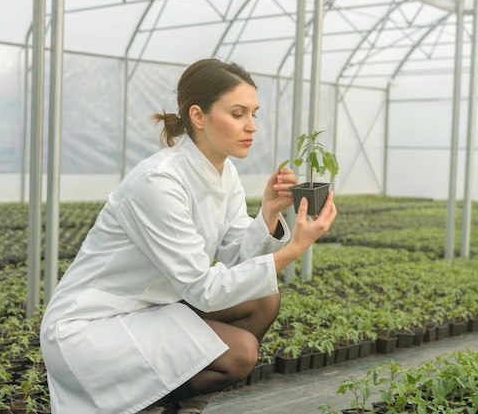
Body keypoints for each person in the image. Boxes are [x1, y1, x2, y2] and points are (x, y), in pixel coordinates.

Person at [39, 58, 337, 414]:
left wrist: (269, 213)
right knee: (240, 352)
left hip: (153, 308)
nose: (252, 126)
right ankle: (147, 401)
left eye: (255, 114)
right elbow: (204, 289)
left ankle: (182, 406)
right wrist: (294, 249)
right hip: (95, 326)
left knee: (263, 300)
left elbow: (234, 259)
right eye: (239, 113)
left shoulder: (224, 174)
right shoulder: (159, 182)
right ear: (198, 116)